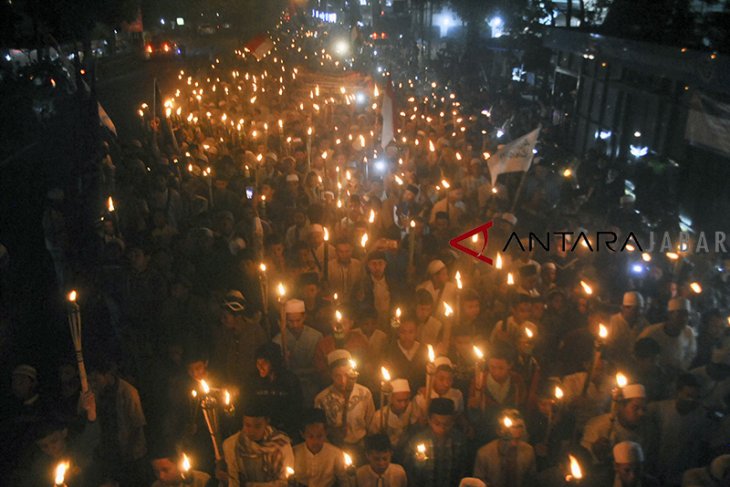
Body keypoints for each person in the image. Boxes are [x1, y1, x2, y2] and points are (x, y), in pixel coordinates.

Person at [88, 358, 147, 484]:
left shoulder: (128, 392)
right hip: (109, 449)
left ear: (108, 375)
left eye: (96, 379)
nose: (93, 383)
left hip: (130, 452)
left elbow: (137, 424)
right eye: (90, 380)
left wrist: (128, 451)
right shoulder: (96, 393)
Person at [648, 373, 711, 486]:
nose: (692, 400)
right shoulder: (658, 409)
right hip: (656, 469)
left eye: (696, 397)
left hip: (682, 473)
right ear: (678, 392)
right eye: (688, 395)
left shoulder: (701, 415)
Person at [221, 399, 295, 487]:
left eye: (257, 426)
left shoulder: (282, 445)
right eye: (247, 425)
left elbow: (285, 482)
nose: (251, 431)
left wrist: (248, 485)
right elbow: (233, 481)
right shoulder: (232, 444)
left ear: (266, 423)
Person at [314, 349, 375, 453]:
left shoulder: (364, 393)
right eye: (337, 376)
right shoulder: (321, 399)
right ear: (331, 375)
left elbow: (371, 423)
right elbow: (319, 429)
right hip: (335, 448)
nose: (343, 381)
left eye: (346, 375)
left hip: (361, 446)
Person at [580, 384, 654, 466]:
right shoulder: (598, 426)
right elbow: (584, 459)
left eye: (644, 409)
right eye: (635, 408)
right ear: (621, 407)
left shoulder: (647, 429)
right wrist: (595, 452)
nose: (641, 413)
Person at [404, 398, 468, 487]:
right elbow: (409, 472)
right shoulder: (417, 441)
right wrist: (419, 462)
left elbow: (462, 470)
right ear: (429, 420)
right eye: (437, 424)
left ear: (453, 421)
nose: (442, 428)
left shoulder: (459, 441)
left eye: (446, 424)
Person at [212, 290, 268, 390]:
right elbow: (219, 360)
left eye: (226, 317)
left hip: (253, 387)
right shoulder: (223, 334)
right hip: (230, 387)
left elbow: (265, 360)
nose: (222, 320)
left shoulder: (255, 332)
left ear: (237, 316)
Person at [468, 345, 526, 440]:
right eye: (492, 367)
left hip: (510, 432)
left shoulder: (517, 381)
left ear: (510, 365)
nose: (496, 372)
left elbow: (521, 406)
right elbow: (474, 416)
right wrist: (474, 406)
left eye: (501, 368)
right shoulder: (479, 381)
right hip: (486, 430)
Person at [273, 298, 324, 405]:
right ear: (285, 320)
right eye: (291, 321)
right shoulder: (278, 340)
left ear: (304, 317)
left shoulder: (316, 337)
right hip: (289, 387)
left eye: (298, 320)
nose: (295, 325)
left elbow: (320, 366)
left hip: (311, 386)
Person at [473, 410, 537, 487]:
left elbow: (531, 480)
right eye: (513, 427)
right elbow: (478, 482)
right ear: (499, 432)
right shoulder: (484, 453)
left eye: (519, 426)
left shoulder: (528, 451)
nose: (517, 430)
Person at [252, 343, 304, 437]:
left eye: (264, 363)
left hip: (285, 432)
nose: (260, 367)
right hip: (259, 431)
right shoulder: (254, 381)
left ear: (273, 362)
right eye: (258, 363)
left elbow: (297, 409)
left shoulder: (290, 381)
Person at [638, 298, 697, 373]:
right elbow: (639, 353)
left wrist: (680, 369)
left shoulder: (689, 332)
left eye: (686, 315)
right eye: (680, 315)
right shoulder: (651, 332)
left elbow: (691, 354)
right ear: (669, 314)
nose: (684, 319)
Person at [292, 408, 348, 487]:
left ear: (326, 433)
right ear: (303, 434)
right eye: (311, 436)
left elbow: (343, 480)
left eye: (319, 436)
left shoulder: (335, 454)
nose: (315, 441)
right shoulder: (294, 452)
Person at [368, 379, 417, 454]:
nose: (403, 405)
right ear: (390, 399)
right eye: (399, 401)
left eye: (406, 400)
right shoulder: (379, 416)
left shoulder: (411, 408)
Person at [383, 316, 428, 392]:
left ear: (416, 332)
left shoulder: (423, 350)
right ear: (398, 332)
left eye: (411, 332)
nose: (407, 336)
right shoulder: (390, 350)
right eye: (403, 332)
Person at [413, 356, 464, 423]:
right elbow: (414, 423)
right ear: (433, 378)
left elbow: (459, 416)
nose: (446, 384)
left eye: (449, 379)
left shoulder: (457, 394)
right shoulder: (421, 398)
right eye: (441, 379)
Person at [608, 292, 650, 367]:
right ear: (624, 308)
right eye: (635, 310)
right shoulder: (612, 321)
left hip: (636, 368)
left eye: (641, 309)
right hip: (615, 366)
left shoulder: (645, 325)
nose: (639, 313)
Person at [326, 238, 362, 304]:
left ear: (351, 251)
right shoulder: (329, 266)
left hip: (354, 303)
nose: (344, 255)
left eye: (347, 251)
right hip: (335, 302)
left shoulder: (357, 265)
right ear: (336, 252)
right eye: (341, 252)